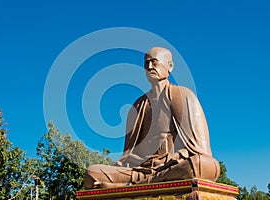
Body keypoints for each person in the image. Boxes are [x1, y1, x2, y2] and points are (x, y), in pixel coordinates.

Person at [84, 47, 220, 189]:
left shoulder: (182, 95)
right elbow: (128, 156)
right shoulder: (137, 106)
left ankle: (130, 186)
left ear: (170, 66)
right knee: (91, 173)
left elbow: (201, 150)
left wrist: (176, 157)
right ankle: (135, 183)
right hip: (139, 171)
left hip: (171, 166)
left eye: (154, 62)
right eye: (146, 63)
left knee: (203, 165)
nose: (149, 67)